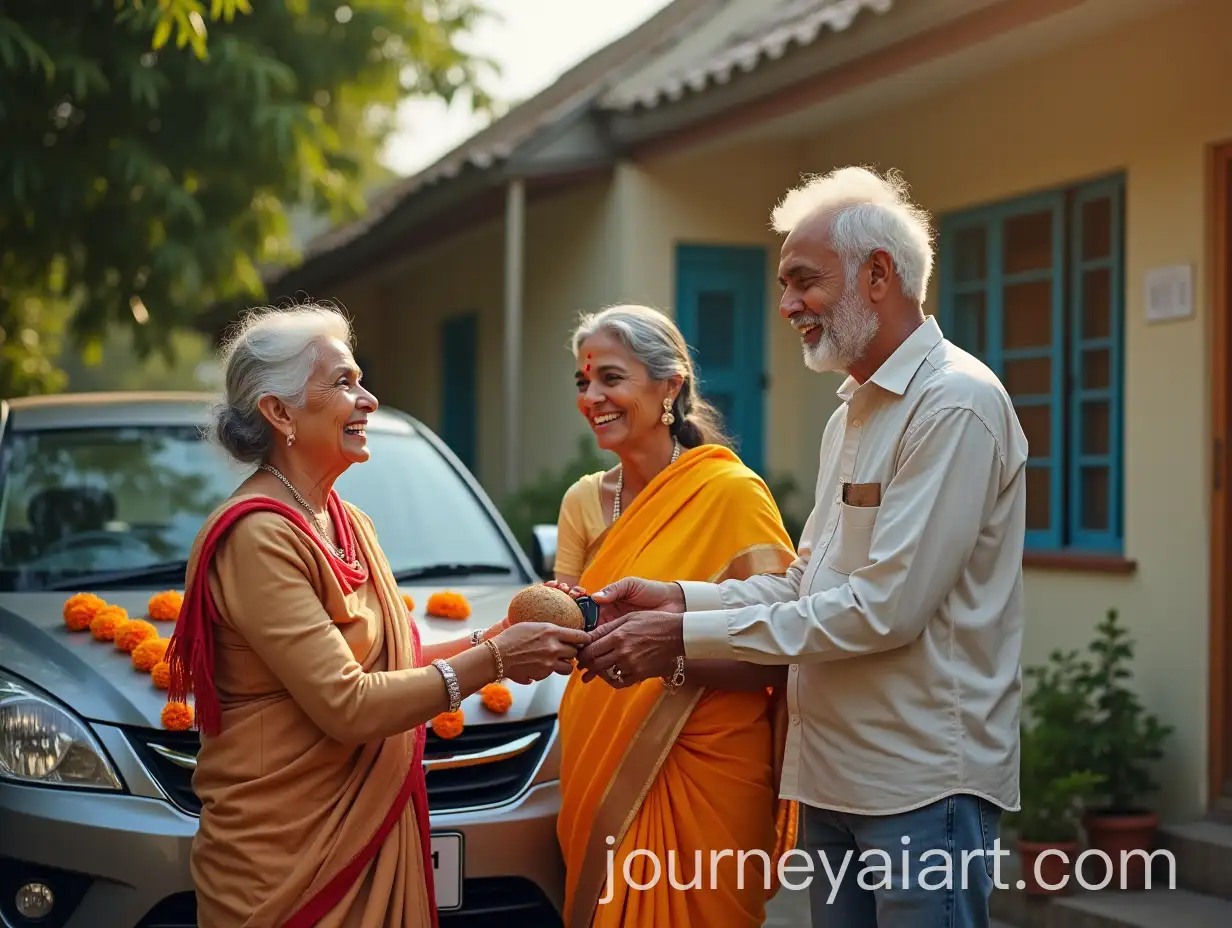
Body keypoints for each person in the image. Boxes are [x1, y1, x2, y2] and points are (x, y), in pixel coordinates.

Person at [576, 167, 1028, 928]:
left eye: (803, 282)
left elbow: (884, 610)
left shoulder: (956, 403)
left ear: (878, 275)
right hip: (831, 777)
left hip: (921, 783)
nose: (787, 306)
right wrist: (678, 597)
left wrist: (680, 635)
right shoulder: (851, 414)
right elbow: (806, 585)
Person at [164, 304, 587, 928]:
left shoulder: (347, 523)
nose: (367, 400)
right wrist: (496, 659)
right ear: (279, 413)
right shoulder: (258, 537)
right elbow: (350, 704)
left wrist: (495, 638)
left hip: (364, 839)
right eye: (342, 383)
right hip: (284, 865)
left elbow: (393, 668)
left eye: (359, 381)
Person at [548, 304, 800, 928]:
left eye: (611, 377)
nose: (593, 396)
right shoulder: (584, 501)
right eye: (584, 382)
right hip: (601, 744)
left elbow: (782, 650)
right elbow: (568, 619)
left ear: (670, 386)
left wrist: (673, 652)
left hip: (712, 761)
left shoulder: (731, 495)